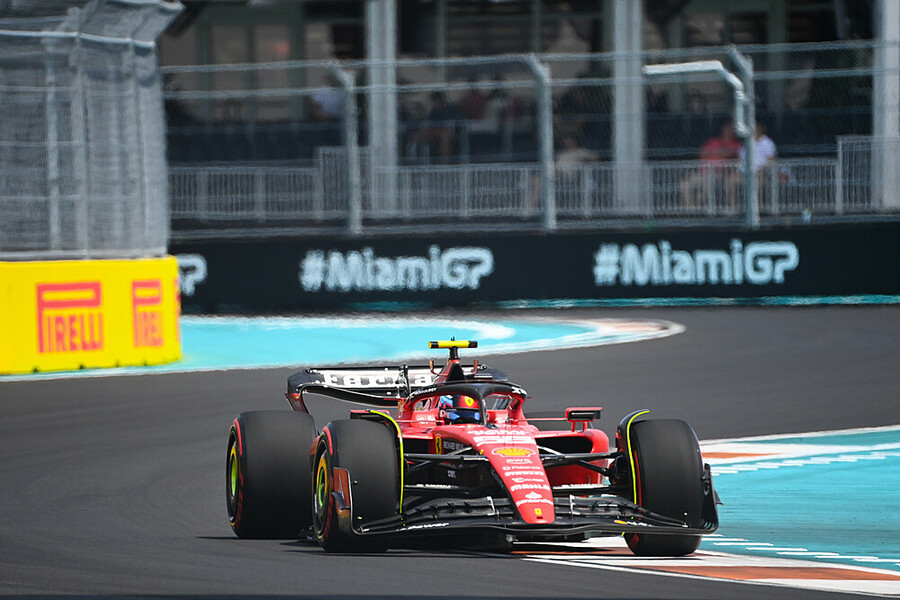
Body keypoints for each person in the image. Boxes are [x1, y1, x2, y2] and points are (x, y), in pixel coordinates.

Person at [680, 121, 743, 210]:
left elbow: (733, 156)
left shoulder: (736, 144)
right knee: (685, 183)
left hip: (720, 173)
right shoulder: (713, 142)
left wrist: (721, 153)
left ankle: (697, 206)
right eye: (726, 130)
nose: (728, 132)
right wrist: (718, 152)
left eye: (730, 130)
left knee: (707, 183)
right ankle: (689, 206)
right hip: (703, 172)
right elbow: (701, 153)